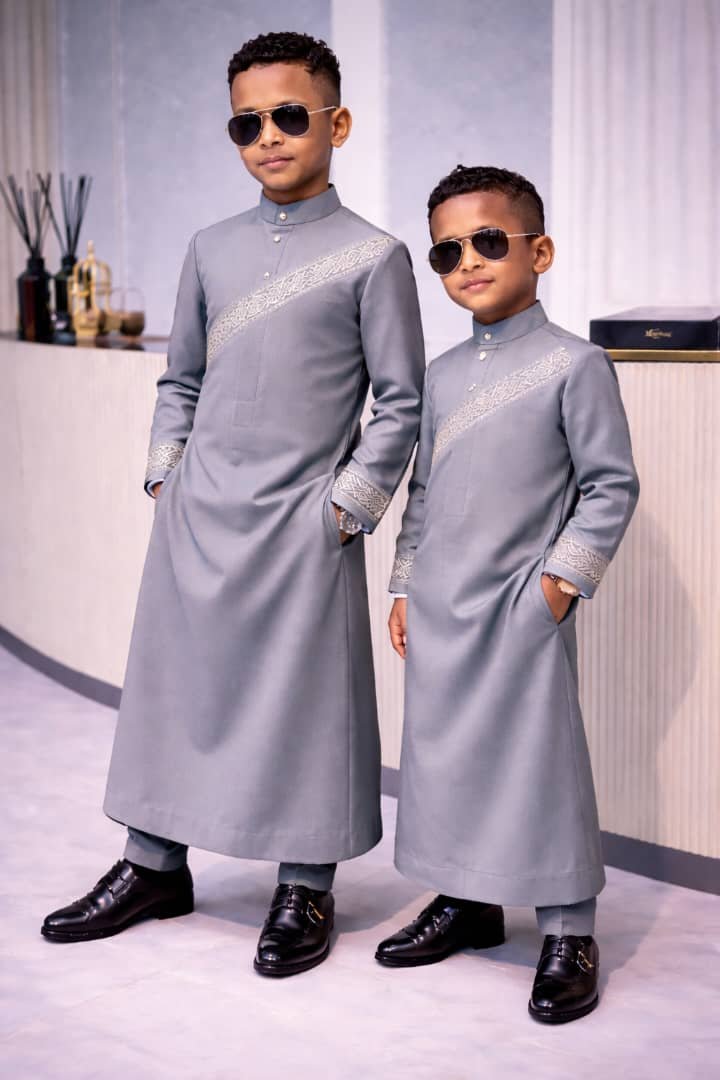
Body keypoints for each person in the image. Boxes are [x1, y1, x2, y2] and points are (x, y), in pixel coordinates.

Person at [42, 31, 425, 978]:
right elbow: (181, 378)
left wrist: (345, 510)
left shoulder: (374, 257)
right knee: (175, 688)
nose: (268, 138)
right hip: (198, 515)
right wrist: (166, 478)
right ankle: (152, 866)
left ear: (337, 123)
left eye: (288, 116)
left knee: (307, 702)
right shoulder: (210, 249)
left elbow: (401, 402)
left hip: (304, 523)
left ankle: (305, 886)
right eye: (246, 124)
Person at [375, 165, 639, 1023]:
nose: (469, 263)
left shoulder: (575, 365)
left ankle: (568, 931)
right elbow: (421, 491)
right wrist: (405, 584)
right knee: (446, 758)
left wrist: (557, 588)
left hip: (522, 608)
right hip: (441, 607)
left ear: (540, 251)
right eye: (447, 251)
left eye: (489, 241)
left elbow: (610, 485)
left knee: (538, 762)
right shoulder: (441, 374)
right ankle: (466, 901)